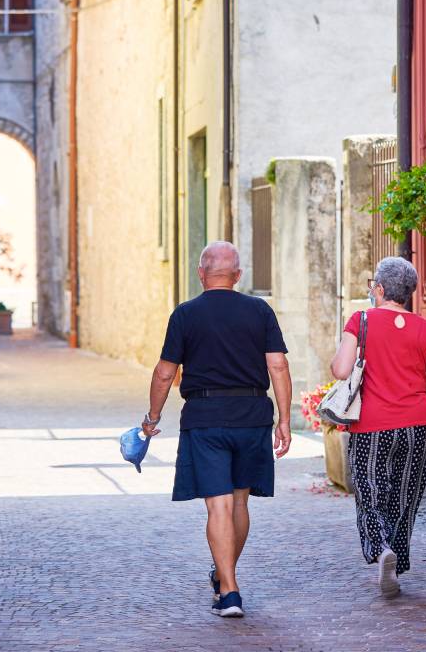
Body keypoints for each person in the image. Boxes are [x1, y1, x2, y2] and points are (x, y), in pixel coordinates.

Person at [142, 241, 293, 619]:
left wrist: (152, 418)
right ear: (238, 275)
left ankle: (229, 591)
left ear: (201, 274)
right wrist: (285, 420)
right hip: (252, 416)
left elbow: (164, 373)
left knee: (218, 505)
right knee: (239, 503)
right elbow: (278, 366)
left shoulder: (185, 314)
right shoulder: (260, 311)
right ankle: (225, 577)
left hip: (205, 417)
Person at [329, 256, 426, 597]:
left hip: (372, 426)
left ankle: (382, 547)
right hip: (417, 426)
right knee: (404, 498)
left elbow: (341, 370)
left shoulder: (361, 321)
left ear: (381, 289)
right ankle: (395, 564)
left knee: (370, 493)